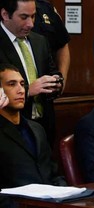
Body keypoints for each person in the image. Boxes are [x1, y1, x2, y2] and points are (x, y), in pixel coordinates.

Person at [0, 63, 66, 208]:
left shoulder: (36, 129)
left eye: (22, 84)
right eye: (12, 84)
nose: (21, 90)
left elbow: (53, 174)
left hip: (51, 207)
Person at [0, 0, 63, 145]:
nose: (31, 24)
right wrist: (28, 90)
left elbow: (52, 71)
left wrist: (56, 82)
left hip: (44, 126)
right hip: (10, 130)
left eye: (33, 16)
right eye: (24, 17)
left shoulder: (40, 41)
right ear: (5, 14)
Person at [33, 0, 70, 89]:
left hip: (47, 90)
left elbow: (62, 45)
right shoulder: (7, 9)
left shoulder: (46, 9)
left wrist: (62, 80)